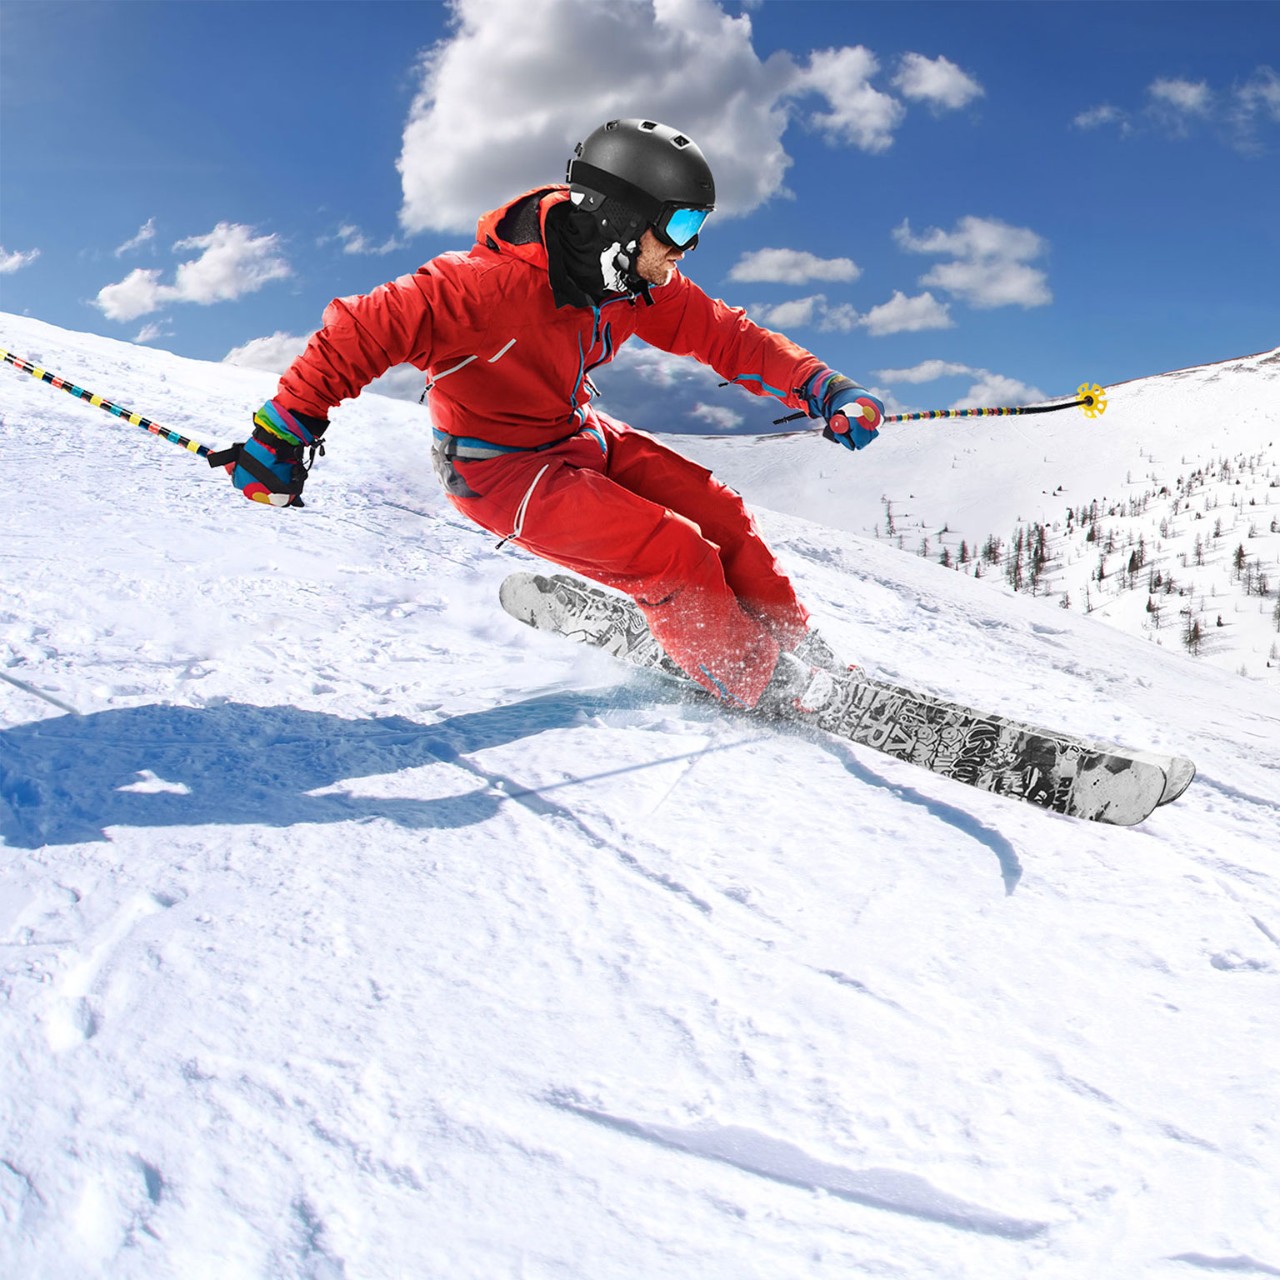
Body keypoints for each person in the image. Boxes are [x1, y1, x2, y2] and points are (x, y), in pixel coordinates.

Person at [222, 118, 885, 713]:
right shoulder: (476, 289)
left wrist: (823, 387)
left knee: (723, 516)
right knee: (677, 554)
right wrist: (286, 427)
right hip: (500, 469)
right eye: (680, 226)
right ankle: (761, 683)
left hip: (574, 434)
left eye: (697, 229)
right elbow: (358, 330)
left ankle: (795, 646)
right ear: (619, 219)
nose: (687, 249)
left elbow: (727, 336)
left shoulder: (629, 281)